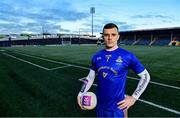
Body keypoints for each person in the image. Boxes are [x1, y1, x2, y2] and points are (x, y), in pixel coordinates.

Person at [77, 23, 150, 117]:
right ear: (103, 37)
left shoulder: (127, 56)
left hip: (117, 108)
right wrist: (80, 93)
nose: (110, 38)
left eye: (113, 34)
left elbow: (145, 76)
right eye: (106, 35)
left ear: (118, 37)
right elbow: (90, 78)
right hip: (99, 106)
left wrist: (133, 98)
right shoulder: (96, 57)